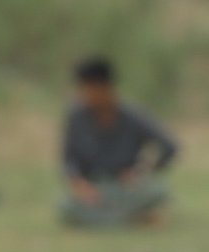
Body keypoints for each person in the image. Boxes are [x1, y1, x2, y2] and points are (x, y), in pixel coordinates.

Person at [60, 56, 178, 227]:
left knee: (158, 191)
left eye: (88, 89)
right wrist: (79, 184)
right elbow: (69, 159)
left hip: (125, 188)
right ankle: (133, 219)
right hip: (96, 189)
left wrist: (141, 171)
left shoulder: (132, 116)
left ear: (105, 87)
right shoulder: (77, 118)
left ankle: (106, 219)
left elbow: (169, 147)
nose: (84, 95)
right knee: (65, 206)